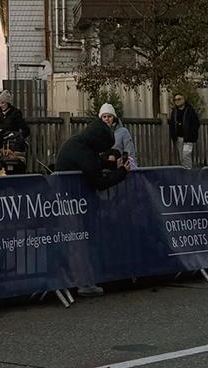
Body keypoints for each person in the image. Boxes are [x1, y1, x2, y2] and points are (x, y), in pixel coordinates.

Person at [52, 118, 128, 296]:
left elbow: (92, 164)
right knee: (80, 242)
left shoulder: (76, 143)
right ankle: (85, 283)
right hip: (74, 202)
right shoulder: (86, 153)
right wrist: (122, 173)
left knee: (74, 242)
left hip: (65, 199)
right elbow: (98, 181)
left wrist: (110, 165)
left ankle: (71, 280)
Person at [167, 93, 201, 169]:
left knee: (186, 155)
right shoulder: (174, 112)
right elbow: (172, 124)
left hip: (188, 138)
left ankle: (189, 173)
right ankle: (185, 171)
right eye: (175, 100)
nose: (177, 101)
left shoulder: (190, 111)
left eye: (179, 99)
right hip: (178, 138)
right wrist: (173, 136)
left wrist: (192, 134)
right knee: (181, 157)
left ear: (184, 100)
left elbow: (196, 123)